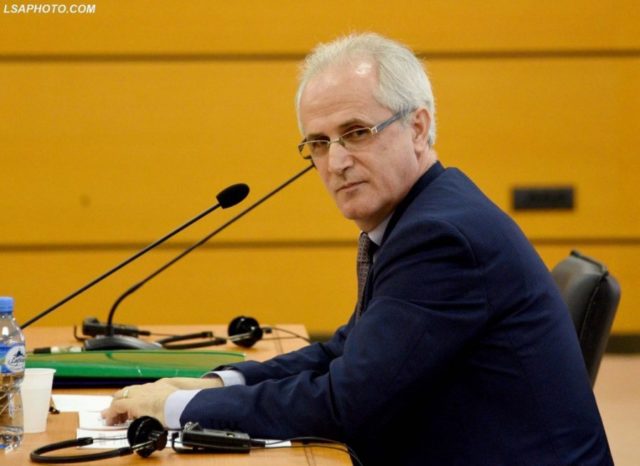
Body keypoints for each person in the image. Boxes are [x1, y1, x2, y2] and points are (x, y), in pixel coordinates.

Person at [103, 33, 612, 465]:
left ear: (418, 128)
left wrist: (178, 409)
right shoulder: (421, 213)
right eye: (318, 143)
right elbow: (346, 351)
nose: (336, 162)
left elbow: (346, 403)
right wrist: (219, 385)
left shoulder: (442, 237)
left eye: (356, 132)